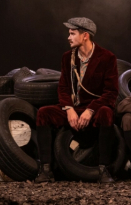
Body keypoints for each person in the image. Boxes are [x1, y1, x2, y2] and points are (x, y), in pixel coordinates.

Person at [34, 17, 118, 184]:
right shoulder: (68, 57)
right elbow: (63, 87)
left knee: (106, 113)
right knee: (44, 113)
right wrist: (69, 109)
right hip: (74, 108)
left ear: (85, 35)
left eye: (72, 33)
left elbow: (111, 93)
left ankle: (104, 170)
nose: (68, 37)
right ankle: (46, 169)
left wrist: (90, 110)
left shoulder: (107, 57)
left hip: (94, 108)